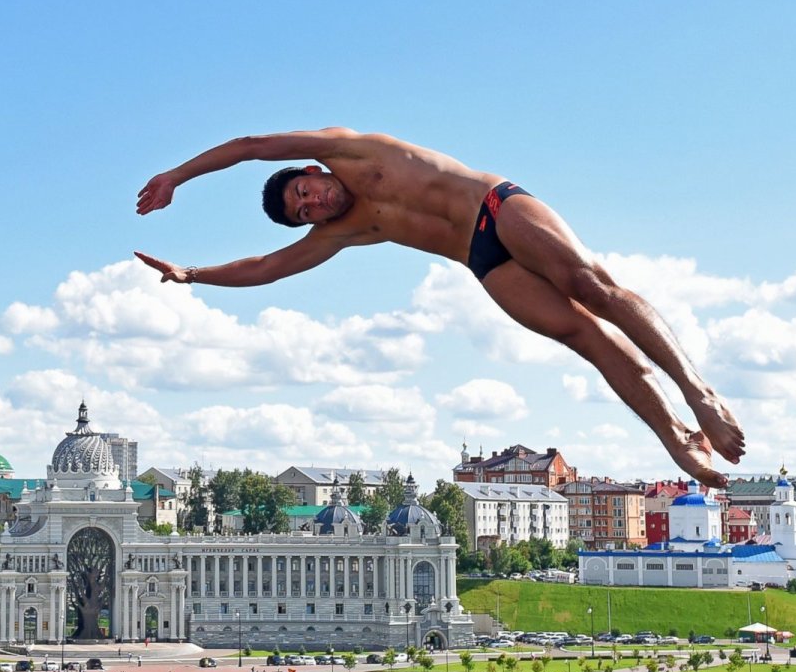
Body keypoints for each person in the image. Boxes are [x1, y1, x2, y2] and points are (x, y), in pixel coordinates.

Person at [136, 128, 745, 487]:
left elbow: (250, 146)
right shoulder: (340, 232)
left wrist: (176, 176)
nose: (314, 205)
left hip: (495, 207)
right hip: (483, 260)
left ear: (313, 169)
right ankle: (674, 435)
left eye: (305, 191)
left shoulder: (347, 148)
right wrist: (192, 274)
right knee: (584, 339)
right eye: (304, 211)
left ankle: (699, 394)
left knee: (591, 285)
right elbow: (267, 268)